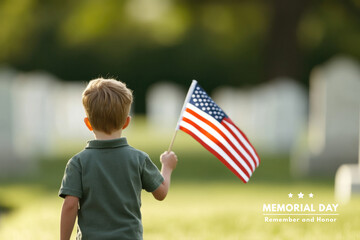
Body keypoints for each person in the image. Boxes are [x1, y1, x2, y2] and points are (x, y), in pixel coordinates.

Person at [59, 78, 178, 240]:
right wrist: (167, 167)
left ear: (88, 123)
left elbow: (70, 205)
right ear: (127, 122)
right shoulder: (138, 158)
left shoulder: (78, 162)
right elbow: (161, 192)